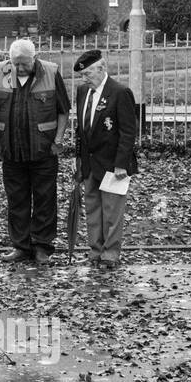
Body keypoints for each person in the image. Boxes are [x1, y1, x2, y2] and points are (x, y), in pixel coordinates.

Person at [0, 38, 70, 265]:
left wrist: (58, 139)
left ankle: (42, 247)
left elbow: (64, 110)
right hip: (12, 152)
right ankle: (20, 246)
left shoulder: (51, 73)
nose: (20, 68)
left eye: (24, 63)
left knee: (45, 199)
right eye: (16, 63)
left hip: (43, 151)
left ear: (34, 57)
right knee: (16, 200)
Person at [72, 49, 138, 270]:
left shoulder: (120, 92)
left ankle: (110, 253)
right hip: (90, 164)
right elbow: (81, 130)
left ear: (102, 69)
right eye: (82, 75)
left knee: (112, 212)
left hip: (112, 165)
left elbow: (128, 132)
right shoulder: (83, 92)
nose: (84, 79)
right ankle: (95, 250)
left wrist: (122, 163)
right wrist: (79, 161)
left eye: (88, 74)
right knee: (93, 209)